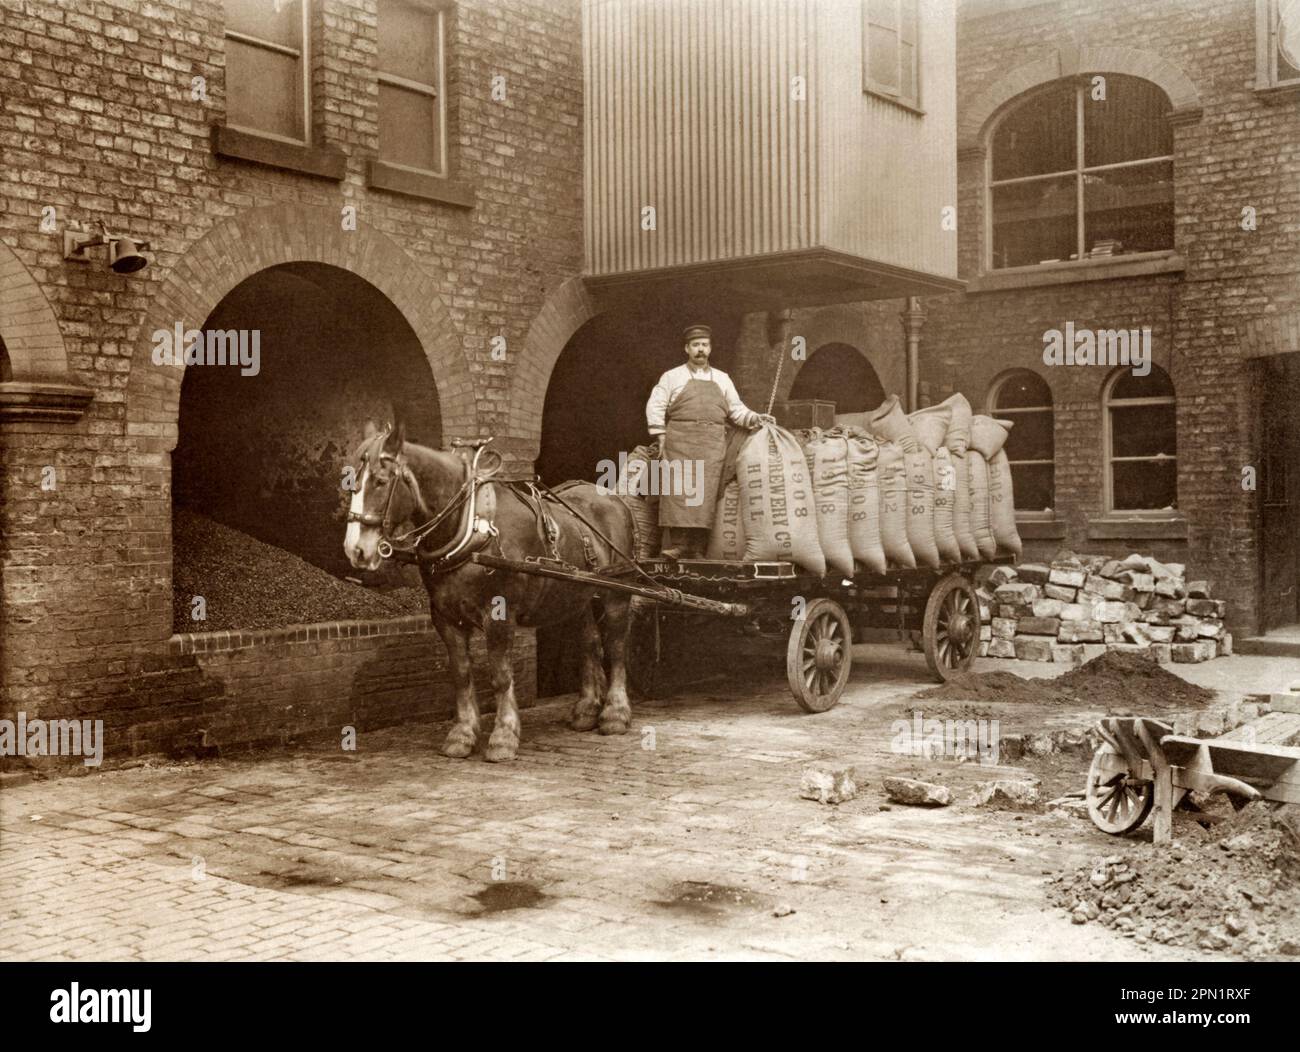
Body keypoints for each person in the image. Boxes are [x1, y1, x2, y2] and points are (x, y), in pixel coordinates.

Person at [645, 323, 770, 559]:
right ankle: (679, 545)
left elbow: (736, 410)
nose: (700, 350)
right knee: (678, 492)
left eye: (704, 345)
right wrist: (660, 435)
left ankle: (698, 548)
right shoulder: (672, 376)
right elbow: (656, 404)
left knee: (704, 493)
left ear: (710, 348)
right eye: (695, 345)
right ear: (687, 349)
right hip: (680, 441)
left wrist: (756, 417)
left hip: (711, 444)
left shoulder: (722, 379)